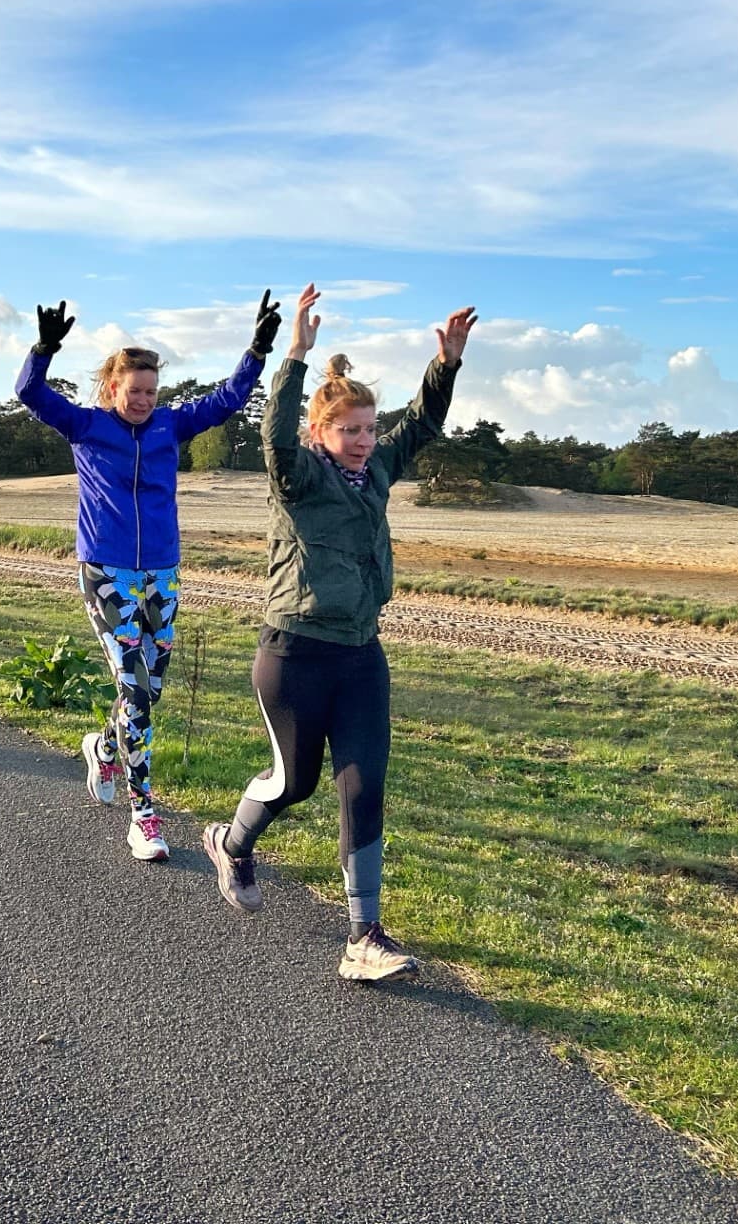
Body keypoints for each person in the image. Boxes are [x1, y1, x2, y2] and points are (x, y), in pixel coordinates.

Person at [201, 283, 476, 983]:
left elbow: (420, 428)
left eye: (368, 429)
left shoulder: (376, 470)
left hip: (360, 653)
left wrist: (444, 367)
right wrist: (294, 353)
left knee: (364, 784)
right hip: (293, 653)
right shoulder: (295, 478)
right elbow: (272, 430)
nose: (363, 442)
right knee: (295, 784)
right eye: (349, 430)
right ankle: (232, 842)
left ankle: (364, 937)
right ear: (321, 434)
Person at [17, 290, 280, 861]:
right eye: (134, 390)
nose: (142, 400)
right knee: (134, 691)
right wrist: (43, 350)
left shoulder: (169, 426)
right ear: (113, 388)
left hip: (162, 570)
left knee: (150, 688)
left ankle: (103, 748)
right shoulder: (86, 426)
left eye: (151, 391)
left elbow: (229, 399)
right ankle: (144, 817)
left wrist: (256, 350)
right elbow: (28, 393)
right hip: (107, 571)